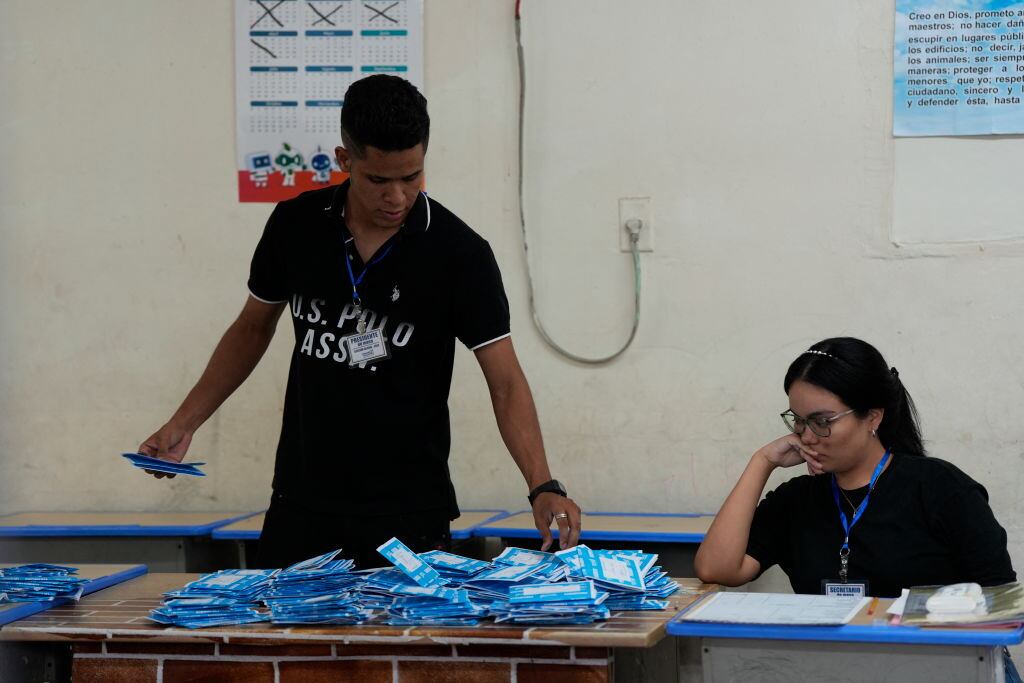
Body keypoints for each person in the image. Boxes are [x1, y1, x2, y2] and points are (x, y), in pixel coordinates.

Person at [138, 74, 581, 569]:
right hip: (302, 500)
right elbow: (251, 329)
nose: (398, 197)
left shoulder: (460, 254)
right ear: (344, 160)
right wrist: (183, 423)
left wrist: (542, 484)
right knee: (280, 621)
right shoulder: (295, 225)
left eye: (412, 177)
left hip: (408, 509)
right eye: (378, 181)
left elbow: (505, 381)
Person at [695, 337, 1015, 599]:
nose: (807, 436)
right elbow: (716, 569)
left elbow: (1000, 597)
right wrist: (762, 462)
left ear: (872, 417)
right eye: (799, 420)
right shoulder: (797, 500)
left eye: (822, 421)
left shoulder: (940, 488)